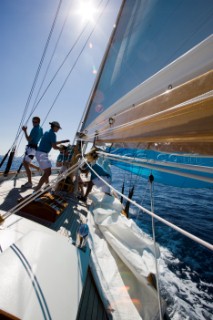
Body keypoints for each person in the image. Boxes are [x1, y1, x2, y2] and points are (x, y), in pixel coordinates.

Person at [34, 121, 69, 191]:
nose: (58, 129)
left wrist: (62, 141)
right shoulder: (53, 134)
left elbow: (52, 142)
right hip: (42, 154)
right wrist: (62, 149)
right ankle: (37, 189)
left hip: (39, 153)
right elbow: (54, 146)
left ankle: (47, 186)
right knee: (48, 172)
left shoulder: (47, 132)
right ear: (54, 127)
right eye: (58, 128)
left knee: (46, 171)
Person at [21, 116, 43, 188]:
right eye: (33, 122)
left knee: (25, 164)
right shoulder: (41, 128)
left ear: (38, 122)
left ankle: (30, 182)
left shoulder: (34, 129)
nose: (33, 123)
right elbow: (41, 137)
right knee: (27, 162)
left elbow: (28, 139)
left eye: (35, 122)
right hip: (35, 148)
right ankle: (37, 168)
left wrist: (25, 131)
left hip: (31, 147)